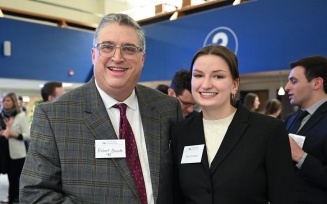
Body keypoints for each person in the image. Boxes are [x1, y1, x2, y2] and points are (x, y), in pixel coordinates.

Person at [20, 13, 183, 203]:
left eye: (129, 49)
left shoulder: (168, 108)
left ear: (142, 58)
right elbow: (35, 194)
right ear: (93, 55)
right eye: (107, 47)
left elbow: (180, 182)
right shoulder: (54, 116)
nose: (117, 57)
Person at [171, 45, 296, 203]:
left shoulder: (268, 130)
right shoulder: (180, 132)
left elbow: (284, 196)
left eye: (218, 76)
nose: (206, 84)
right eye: (198, 75)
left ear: (235, 84)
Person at [284, 55, 327, 203]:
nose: (287, 87)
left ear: (317, 83)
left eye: (293, 81)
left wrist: (300, 156)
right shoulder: (291, 119)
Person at [1, 92, 30, 204]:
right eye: (4, 100)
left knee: (17, 180)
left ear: (14, 102)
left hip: (17, 154)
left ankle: (17, 200)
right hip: (4, 153)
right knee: (10, 179)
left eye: (8, 100)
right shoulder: (1, 115)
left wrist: (13, 134)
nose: (5, 103)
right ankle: (12, 199)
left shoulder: (20, 116)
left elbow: (27, 135)